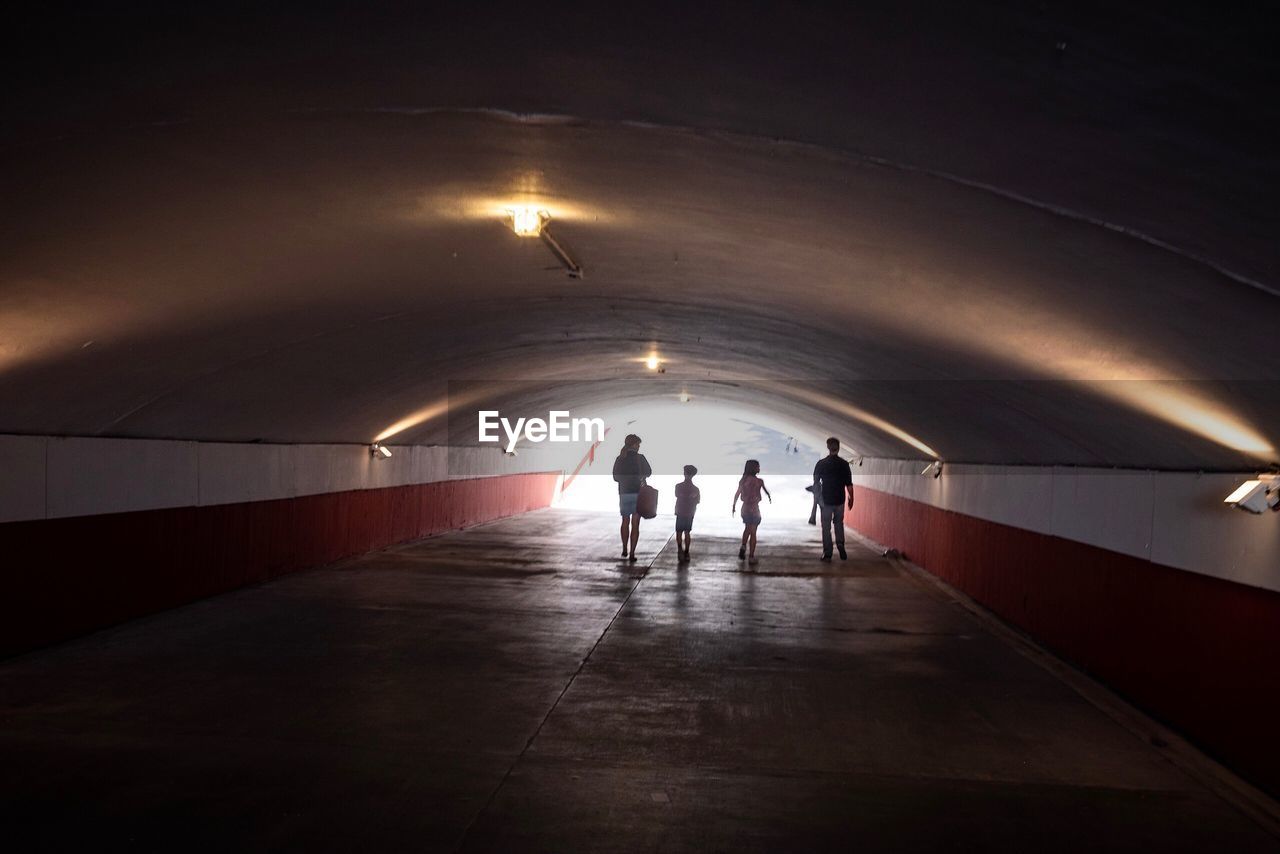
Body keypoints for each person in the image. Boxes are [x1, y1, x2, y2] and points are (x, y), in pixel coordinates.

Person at [612, 434, 652, 562]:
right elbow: (649, 473)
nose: (639, 446)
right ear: (634, 445)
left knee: (625, 521)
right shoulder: (640, 458)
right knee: (635, 524)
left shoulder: (620, 458)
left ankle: (624, 548)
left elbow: (615, 477)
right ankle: (632, 553)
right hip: (638, 494)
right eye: (638, 444)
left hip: (624, 493)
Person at [813, 437, 854, 561]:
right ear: (839, 447)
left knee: (826, 527)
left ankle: (828, 553)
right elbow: (849, 484)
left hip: (826, 500)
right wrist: (852, 498)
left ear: (828, 447)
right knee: (838, 523)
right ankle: (840, 544)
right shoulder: (844, 464)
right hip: (840, 499)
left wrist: (815, 501)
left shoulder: (821, 463)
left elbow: (815, 483)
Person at [732, 459, 771, 564]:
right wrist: (769, 497)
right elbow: (765, 491)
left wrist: (734, 506)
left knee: (748, 529)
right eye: (758, 466)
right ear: (754, 468)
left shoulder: (743, 480)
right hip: (755, 509)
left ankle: (743, 546)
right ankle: (751, 556)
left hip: (745, 509)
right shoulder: (759, 481)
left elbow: (737, 493)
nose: (759, 468)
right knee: (753, 532)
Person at [673, 465, 700, 562]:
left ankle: (680, 549)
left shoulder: (678, 486)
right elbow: (698, 501)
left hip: (680, 511)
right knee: (687, 532)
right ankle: (687, 552)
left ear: (684, 473)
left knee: (679, 532)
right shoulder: (696, 489)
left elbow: (677, 495)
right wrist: (691, 498)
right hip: (690, 512)